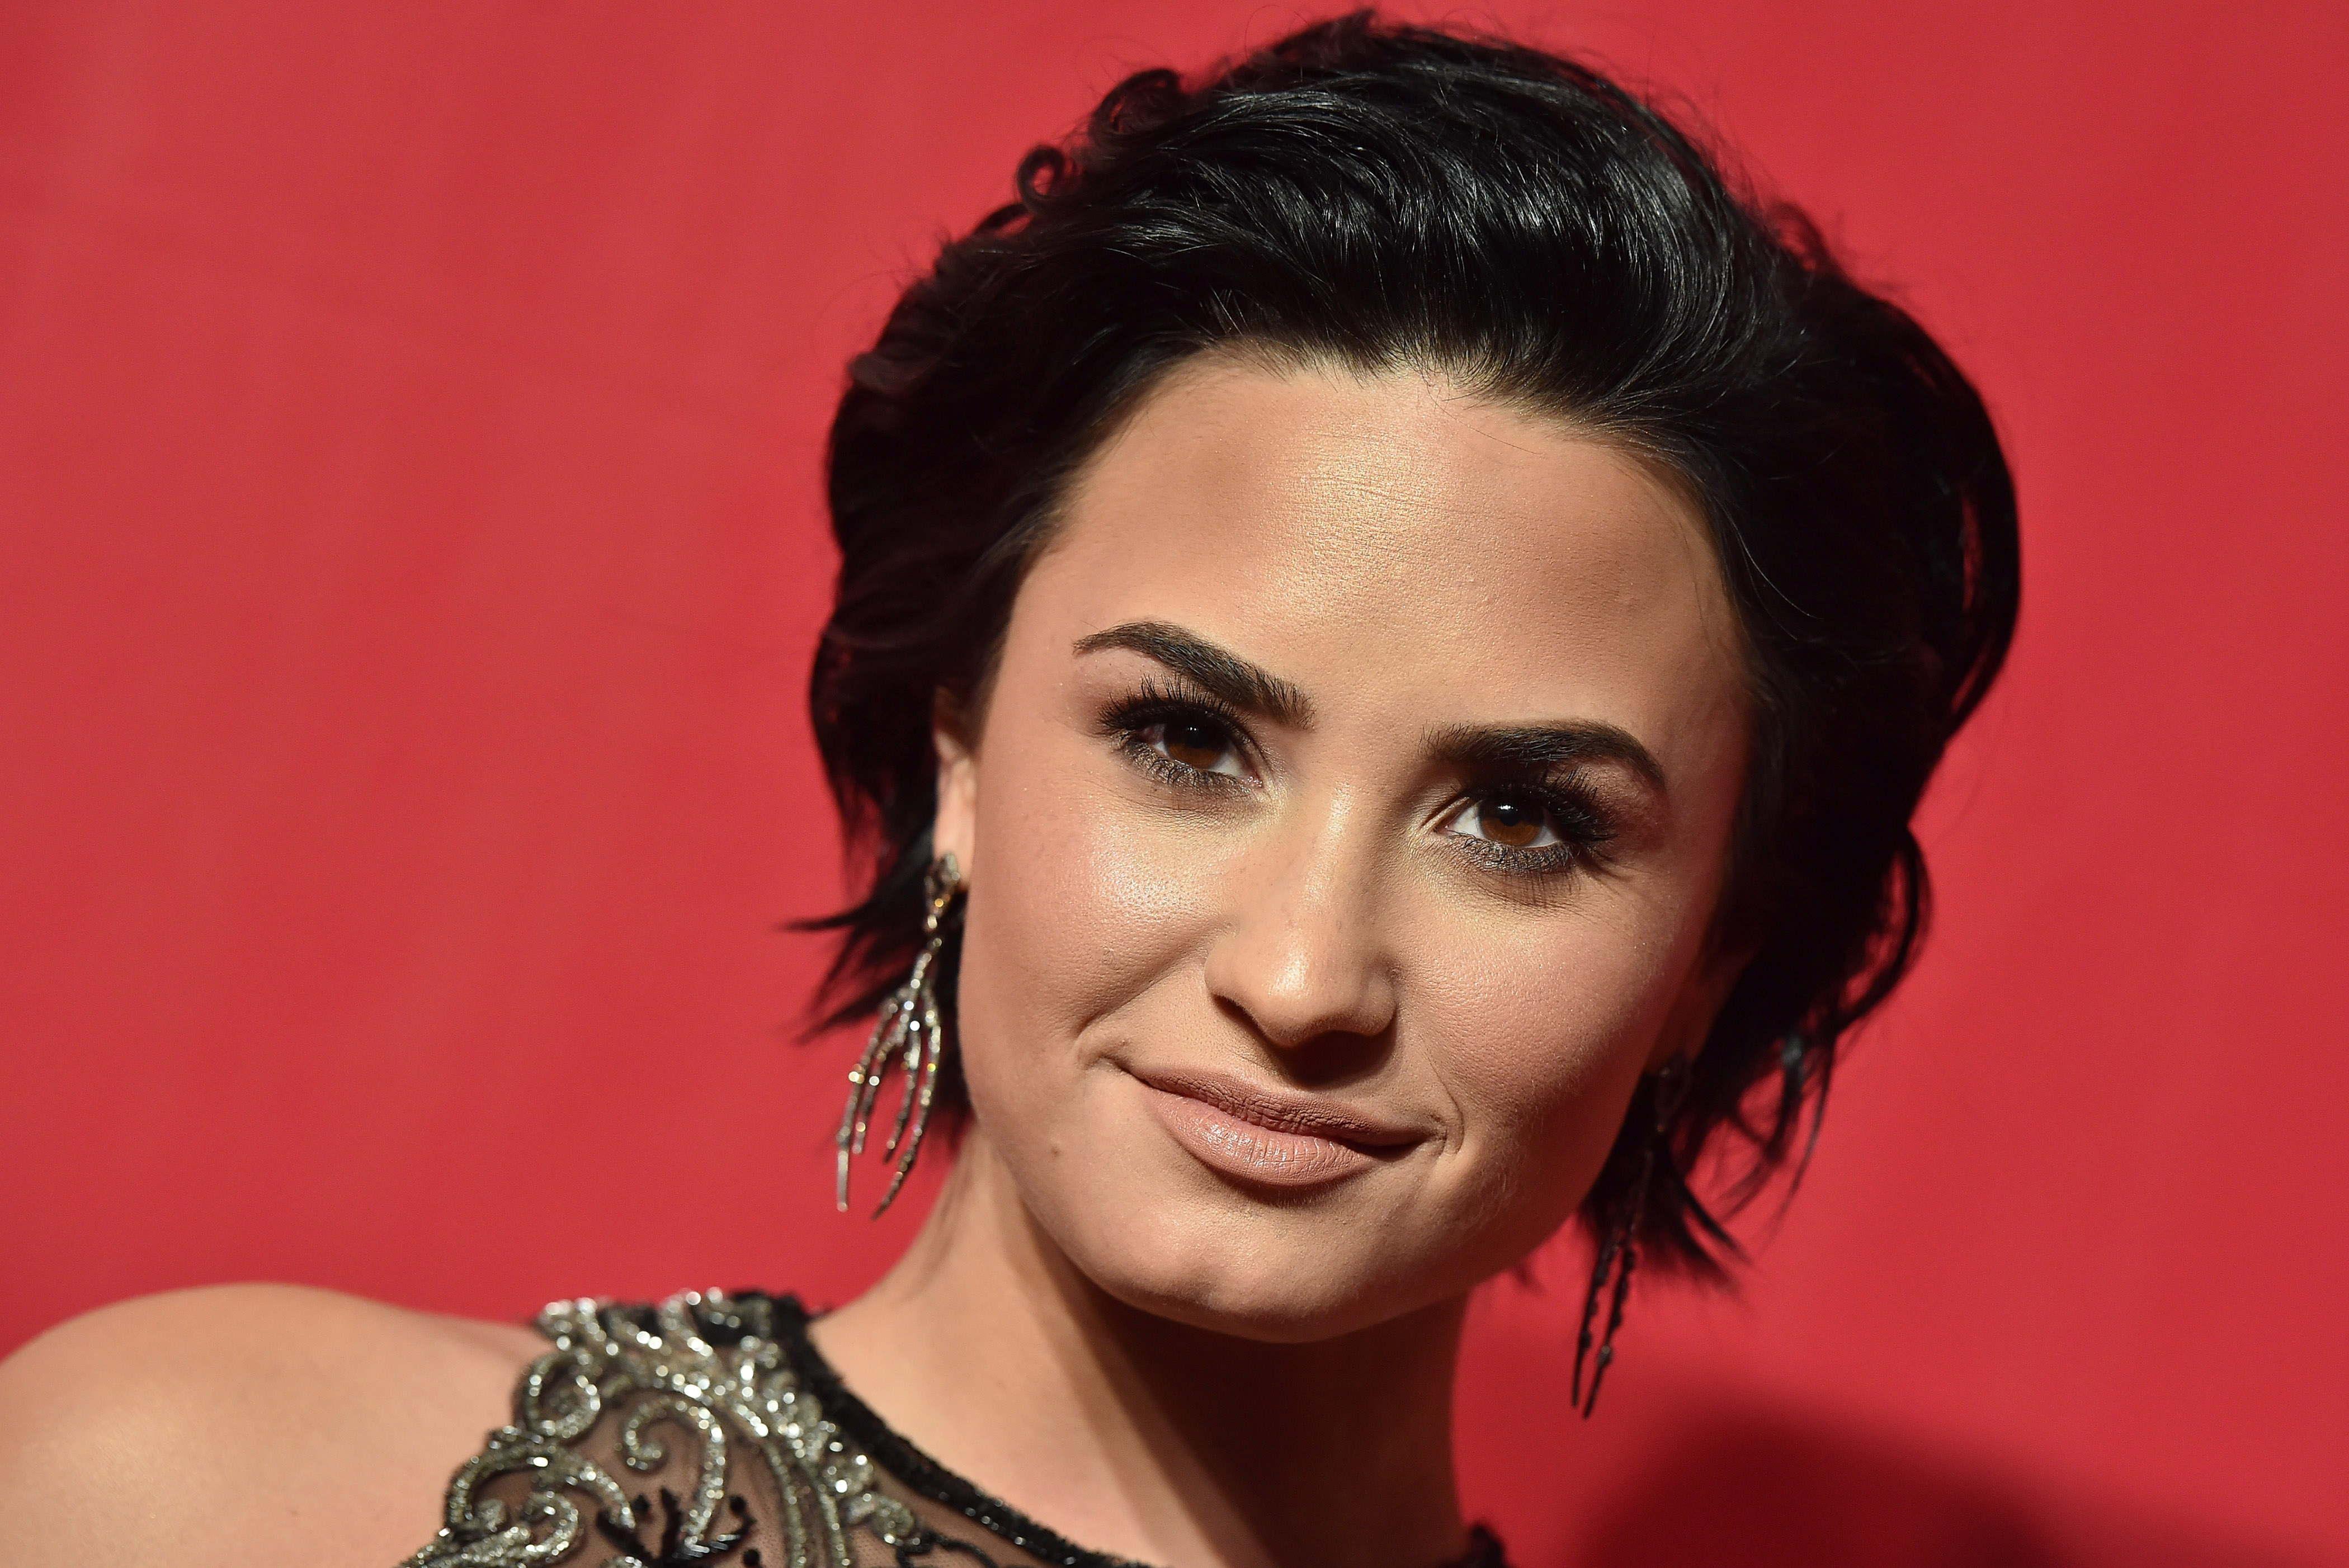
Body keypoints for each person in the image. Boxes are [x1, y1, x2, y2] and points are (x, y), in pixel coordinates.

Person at [0, 12, 2019, 1567]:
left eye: (1523, 823)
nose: (1308, 972)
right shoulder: (217, 1493)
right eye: (1189, 740)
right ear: (959, 746)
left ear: (1711, 953)